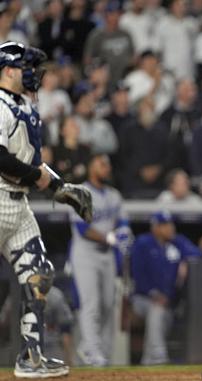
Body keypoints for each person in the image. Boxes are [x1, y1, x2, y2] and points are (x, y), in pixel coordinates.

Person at [0, 40, 85, 378]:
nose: (32, 74)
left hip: (18, 207)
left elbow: (32, 163)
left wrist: (61, 186)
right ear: (7, 70)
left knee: (40, 275)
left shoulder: (24, 105)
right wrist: (39, 177)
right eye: (25, 68)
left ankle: (30, 358)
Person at [70, 154, 132, 366]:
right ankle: (93, 352)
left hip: (107, 255)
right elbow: (83, 228)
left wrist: (124, 232)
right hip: (85, 253)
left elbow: (123, 220)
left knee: (107, 304)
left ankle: (92, 348)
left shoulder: (114, 195)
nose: (106, 168)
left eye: (108, 164)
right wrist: (110, 237)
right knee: (92, 304)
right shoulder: (80, 193)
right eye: (101, 164)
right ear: (90, 167)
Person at [130, 210, 202, 364]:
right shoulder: (143, 243)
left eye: (170, 224)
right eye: (164, 225)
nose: (170, 228)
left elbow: (197, 255)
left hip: (168, 302)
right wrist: (153, 294)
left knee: (160, 313)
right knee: (156, 310)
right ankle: (158, 357)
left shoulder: (177, 242)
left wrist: (200, 251)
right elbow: (137, 275)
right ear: (155, 228)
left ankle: (149, 361)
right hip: (142, 299)